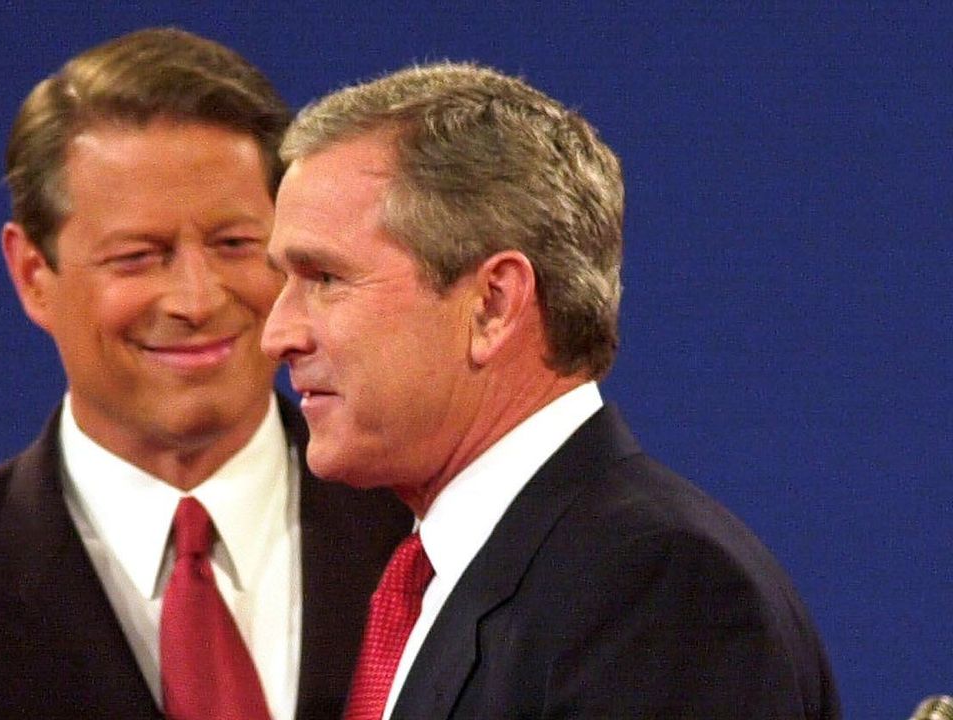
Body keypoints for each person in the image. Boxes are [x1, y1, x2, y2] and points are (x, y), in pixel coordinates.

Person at [0, 28, 410, 720]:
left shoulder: (433, 537)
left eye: (235, 244)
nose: (197, 299)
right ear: (33, 274)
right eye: (138, 256)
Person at [261, 62, 841, 719]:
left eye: (325, 279)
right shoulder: (444, 575)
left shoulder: (656, 586)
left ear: (493, 305)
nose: (277, 334)